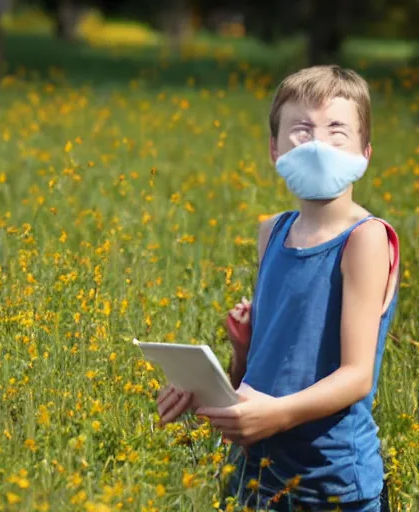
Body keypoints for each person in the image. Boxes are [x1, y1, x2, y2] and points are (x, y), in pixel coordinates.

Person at [156, 65, 400, 511]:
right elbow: (263, 372)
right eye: (301, 130)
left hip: (330, 486)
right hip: (254, 474)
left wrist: (275, 416)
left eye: (336, 130)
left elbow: (357, 376)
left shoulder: (365, 239)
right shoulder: (272, 232)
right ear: (274, 149)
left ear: (364, 153)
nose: (318, 144)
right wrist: (224, 370)